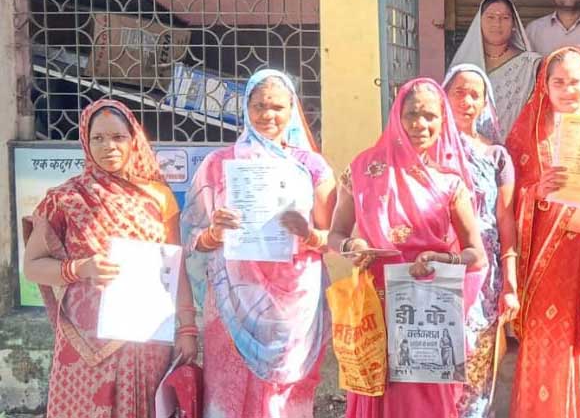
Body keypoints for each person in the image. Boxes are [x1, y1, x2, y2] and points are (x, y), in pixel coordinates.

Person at [23, 99, 198, 418]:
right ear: (86, 143)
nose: (109, 146)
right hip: (85, 342)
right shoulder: (65, 199)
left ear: (134, 140)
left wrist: (187, 329)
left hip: (145, 337)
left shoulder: (158, 197)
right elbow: (33, 266)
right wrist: (80, 268)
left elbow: (176, 267)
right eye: (98, 138)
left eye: (118, 137)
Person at [329, 77, 488, 418]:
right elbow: (335, 234)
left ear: (443, 120)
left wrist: (442, 259)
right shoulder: (364, 169)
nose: (420, 124)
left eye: (430, 115)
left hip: (429, 312)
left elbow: (476, 254)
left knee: (426, 402)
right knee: (379, 395)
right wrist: (352, 245)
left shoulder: (450, 182)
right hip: (376, 308)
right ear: (396, 118)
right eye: (412, 114)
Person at [181, 69, 336, 418]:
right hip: (233, 305)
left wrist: (308, 234)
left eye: (278, 107)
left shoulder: (311, 167)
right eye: (259, 106)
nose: (268, 115)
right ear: (246, 108)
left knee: (285, 398)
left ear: (293, 109)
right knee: (229, 389)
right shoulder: (218, 165)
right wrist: (214, 234)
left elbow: (334, 237)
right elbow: (192, 239)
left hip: (293, 308)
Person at [506, 47, 580, 418]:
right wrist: (536, 191)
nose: (568, 90)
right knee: (546, 339)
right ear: (545, 85)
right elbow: (505, 198)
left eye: (575, 81)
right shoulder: (526, 135)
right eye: (559, 82)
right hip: (545, 257)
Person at [442, 64, 521, 418]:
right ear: (444, 96)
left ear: (486, 102)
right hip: (439, 270)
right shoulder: (427, 151)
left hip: (484, 277)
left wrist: (510, 283)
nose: (467, 101)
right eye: (458, 92)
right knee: (438, 360)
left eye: (475, 94)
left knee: (478, 363)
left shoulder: (496, 156)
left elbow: (506, 220)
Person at [450, 0, 542, 140]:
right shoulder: (464, 64)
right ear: (479, 22)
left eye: (505, 18)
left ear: (514, 24)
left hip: (515, 147)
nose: (497, 23)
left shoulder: (530, 65)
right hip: (469, 146)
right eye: (490, 17)